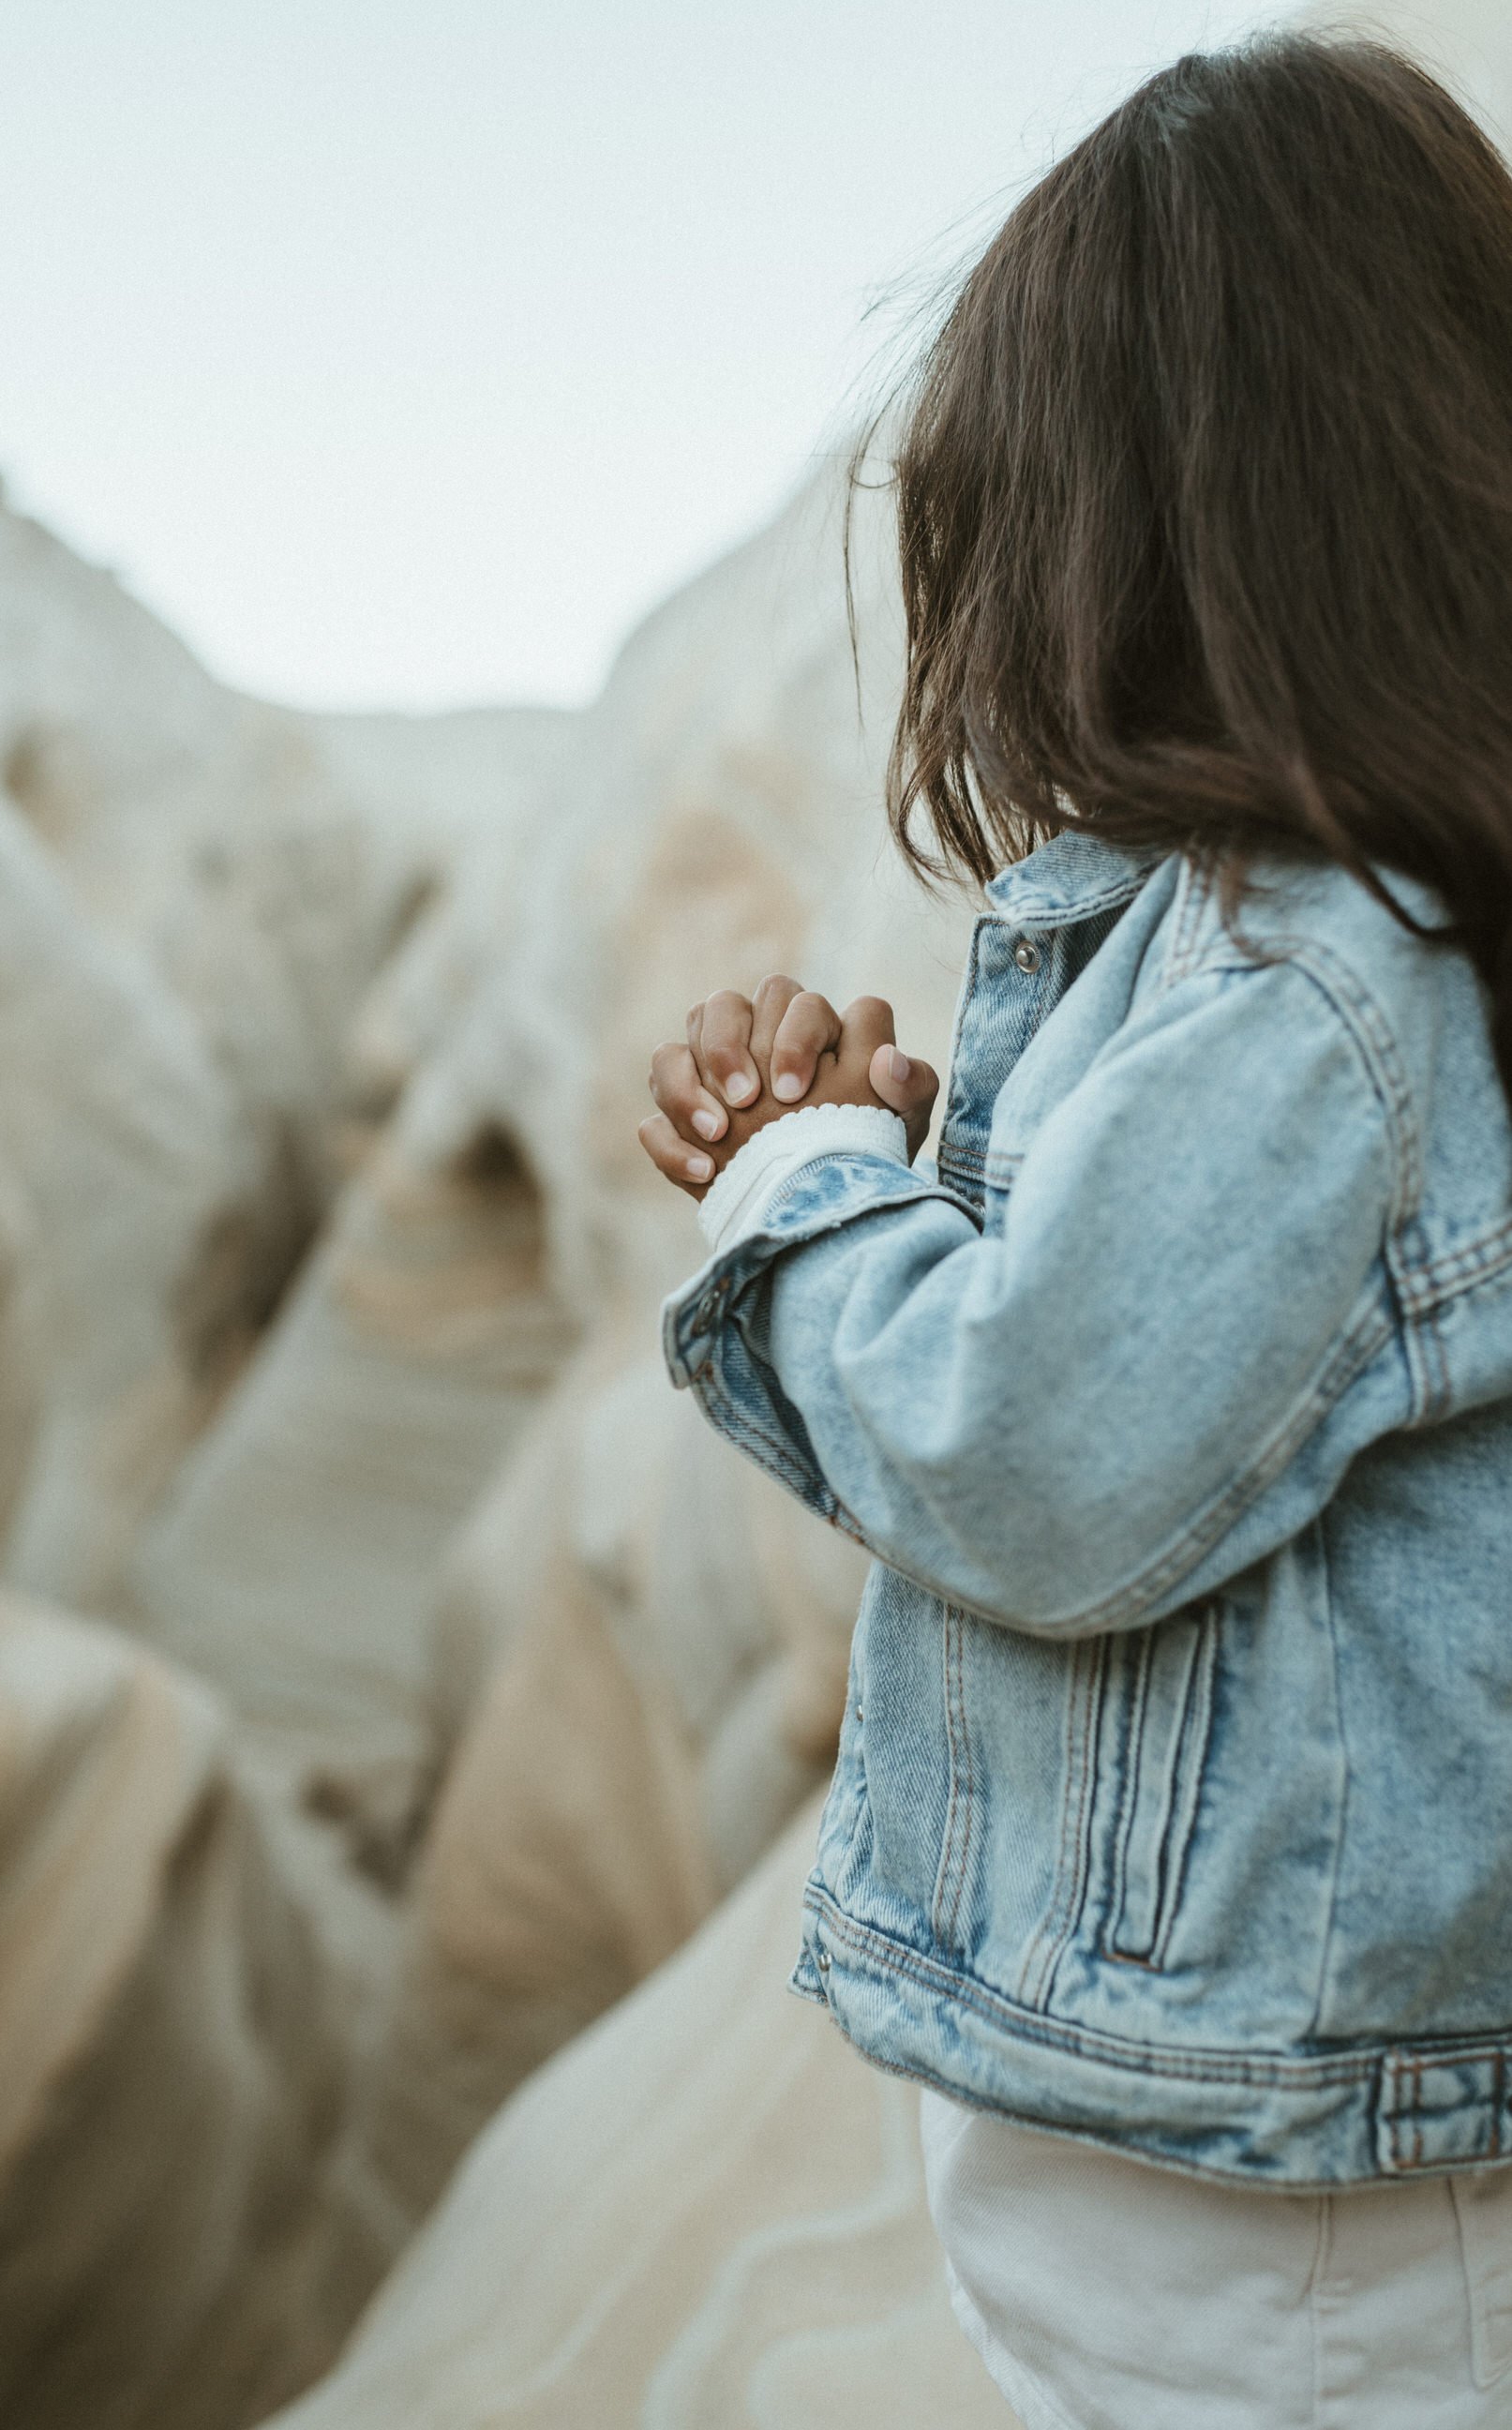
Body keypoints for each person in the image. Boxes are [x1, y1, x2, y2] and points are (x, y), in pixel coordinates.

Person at [636, 34, 1512, 2429]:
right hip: (1243, 2174)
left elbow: (1028, 1456)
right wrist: (919, 1195)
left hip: (1291, 2242)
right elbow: (1160, 1388)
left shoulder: (1317, 977)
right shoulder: (1289, 952)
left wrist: (799, 1192)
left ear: (1149, 529)